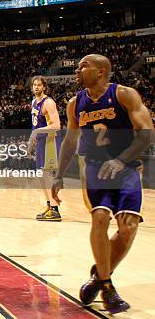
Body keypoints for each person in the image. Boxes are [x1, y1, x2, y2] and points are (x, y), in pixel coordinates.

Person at [52, 54, 153, 314]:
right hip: (95, 168)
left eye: (83, 65)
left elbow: (147, 133)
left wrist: (120, 161)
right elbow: (70, 141)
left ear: (101, 71)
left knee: (128, 227)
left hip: (127, 167)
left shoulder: (124, 95)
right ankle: (107, 287)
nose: (77, 69)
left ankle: (98, 275)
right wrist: (59, 174)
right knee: (100, 217)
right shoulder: (75, 103)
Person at [26, 76, 62, 221]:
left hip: (50, 141)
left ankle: (55, 210)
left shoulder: (48, 102)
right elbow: (35, 127)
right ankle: (49, 206)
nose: (36, 87)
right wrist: (31, 143)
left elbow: (57, 125)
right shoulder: (34, 102)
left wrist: (36, 132)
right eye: (34, 85)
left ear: (44, 87)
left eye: (39, 85)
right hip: (41, 141)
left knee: (47, 176)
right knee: (41, 177)